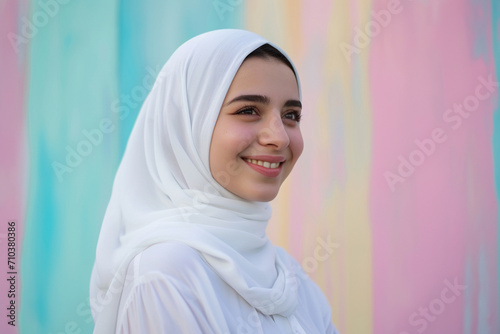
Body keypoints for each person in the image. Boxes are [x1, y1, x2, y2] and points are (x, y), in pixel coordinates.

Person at [90, 29, 339, 333]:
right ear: (185, 124)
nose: (279, 136)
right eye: (248, 110)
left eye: (291, 115)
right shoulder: (166, 273)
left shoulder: (289, 276)